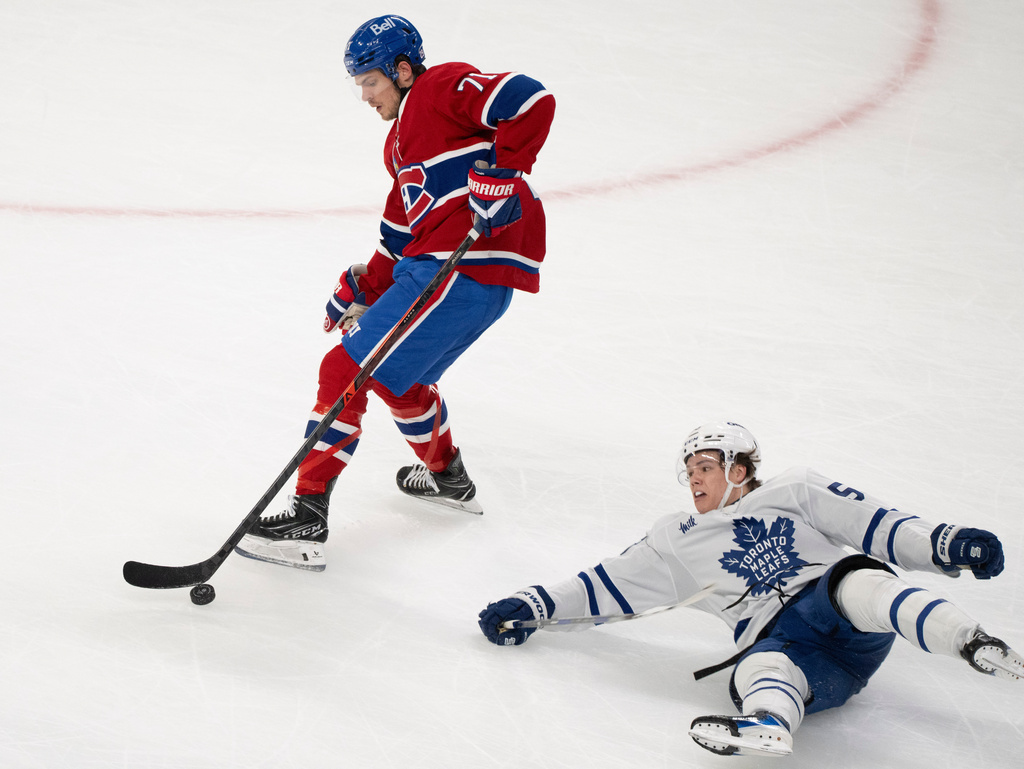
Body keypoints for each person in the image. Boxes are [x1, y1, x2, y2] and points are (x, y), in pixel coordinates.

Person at [477, 421, 1022, 758]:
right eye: (689, 469)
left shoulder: (794, 489)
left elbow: (874, 523)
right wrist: (535, 605)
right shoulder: (675, 538)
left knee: (864, 585)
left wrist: (945, 544)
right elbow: (607, 583)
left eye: (706, 466)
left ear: (739, 468)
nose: (694, 478)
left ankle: (972, 642)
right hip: (798, 653)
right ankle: (769, 724)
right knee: (758, 668)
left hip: (833, 603)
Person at [236, 15, 555, 571]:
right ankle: (447, 478)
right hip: (469, 277)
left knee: (342, 372)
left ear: (403, 70)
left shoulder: (438, 88)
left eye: (371, 81)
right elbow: (400, 236)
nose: (364, 95)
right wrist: (364, 284)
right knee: (392, 377)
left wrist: (504, 173)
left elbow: (529, 99)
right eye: (358, 84)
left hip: (456, 267)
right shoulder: (399, 145)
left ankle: (307, 520)